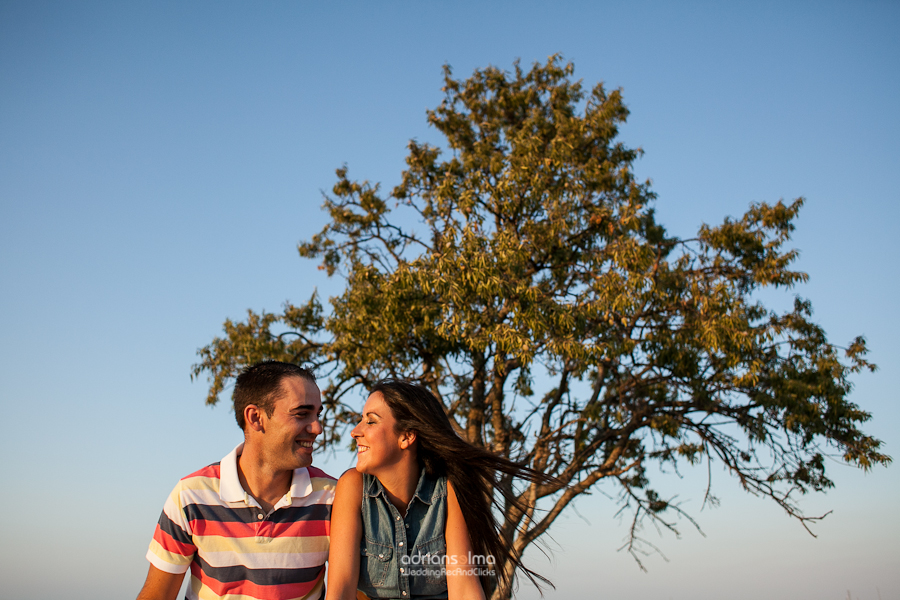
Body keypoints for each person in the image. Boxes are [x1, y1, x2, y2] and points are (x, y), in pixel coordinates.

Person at [326, 380, 551, 600]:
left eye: (370, 421)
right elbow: (341, 590)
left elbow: (464, 589)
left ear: (406, 436)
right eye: (361, 420)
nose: (355, 431)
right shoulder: (353, 487)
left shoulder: (448, 489)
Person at [136, 361, 336, 600]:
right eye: (302, 414)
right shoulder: (191, 496)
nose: (317, 428)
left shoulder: (334, 497)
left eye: (317, 414)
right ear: (255, 417)